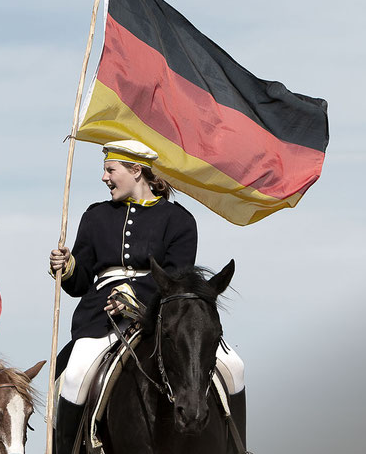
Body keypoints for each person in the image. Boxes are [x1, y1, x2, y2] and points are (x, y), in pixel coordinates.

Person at [49, 140, 242, 453]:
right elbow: (80, 283)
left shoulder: (179, 220)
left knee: (235, 366)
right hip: (101, 319)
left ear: (135, 170)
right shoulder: (94, 216)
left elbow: (177, 276)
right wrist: (67, 267)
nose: (104, 178)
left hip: (163, 315)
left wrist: (134, 294)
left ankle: (237, 447)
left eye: (110, 170)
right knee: (74, 374)